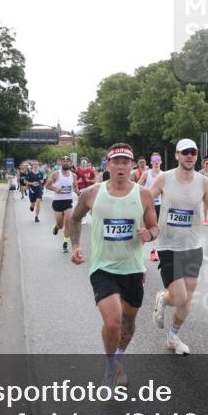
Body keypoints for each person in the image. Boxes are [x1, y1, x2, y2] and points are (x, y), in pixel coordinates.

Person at [68, 143, 160, 387]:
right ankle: (110, 369)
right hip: (102, 268)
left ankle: (117, 359)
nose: (120, 166)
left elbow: (155, 227)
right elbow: (75, 219)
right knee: (113, 321)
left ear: (132, 166)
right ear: (108, 164)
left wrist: (149, 235)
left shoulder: (143, 195)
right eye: (115, 161)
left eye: (125, 162)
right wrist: (76, 244)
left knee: (128, 325)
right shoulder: (92, 193)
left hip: (132, 269)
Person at [149, 139, 208, 355]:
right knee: (178, 297)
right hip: (168, 244)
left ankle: (173, 336)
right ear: (177, 155)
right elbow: (146, 198)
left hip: (193, 245)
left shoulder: (203, 182)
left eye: (193, 152)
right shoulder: (164, 178)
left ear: (197, 155)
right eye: (185, 152)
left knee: (188, 298)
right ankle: (162, 297)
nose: (189, 156)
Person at [45, 156, 80, 253]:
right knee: (60, 225)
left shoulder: (73, 175)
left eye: (67, 161)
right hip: (57, 202)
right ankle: (56, 226)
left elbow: (75, 187)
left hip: (68, 201)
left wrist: (78, 192)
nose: (65, 163)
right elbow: (47, 185)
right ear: (61, 163)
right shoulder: (56, 174)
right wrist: (55, 189)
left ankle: (65, 244)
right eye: (63, 161)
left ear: (70, 163)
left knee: (68, 224)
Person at [138, 153, 164, 262]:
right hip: (146, 206)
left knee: (155, 229)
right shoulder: (146, 174)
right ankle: (138, 252)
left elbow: (165, 192)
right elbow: (137, 187)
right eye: (154, 160)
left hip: (158, 205)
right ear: (151, 162)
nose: (156, 162)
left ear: (161, 162)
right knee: (143, 229)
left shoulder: (164, 175)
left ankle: (153, 251)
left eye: (158, 159)